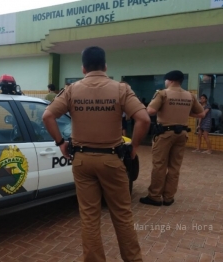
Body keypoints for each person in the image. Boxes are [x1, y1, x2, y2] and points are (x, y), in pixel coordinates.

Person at [42, 46, 150, 262]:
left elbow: (47, 116)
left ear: (83, 68)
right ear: (105, 66)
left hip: (82, 161)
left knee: (89, 217)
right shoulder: (120, 89)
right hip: (111, 159)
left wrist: (61, 143)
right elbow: (144, 119)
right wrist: (135, 147)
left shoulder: (72, 90)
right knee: (122, 215)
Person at [140, 70, 204, 207]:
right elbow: (201, 114)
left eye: (166, 80)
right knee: (175, 167)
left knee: (159, 165)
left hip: (164, 134)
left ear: (170, 80)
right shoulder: (190, 96)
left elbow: (150, 111)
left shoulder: (163, 93)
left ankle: (155, 196)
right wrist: (185, 112)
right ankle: (169, 197)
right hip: (182, 134)